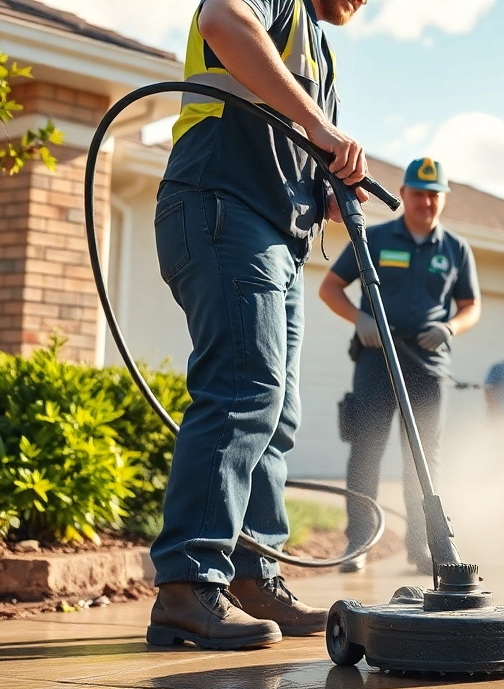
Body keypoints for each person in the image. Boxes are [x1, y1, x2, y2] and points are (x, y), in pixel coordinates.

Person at [147, 0, 369, 651]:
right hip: (221, 202)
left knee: (278, 410)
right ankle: (189, 586)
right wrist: (322, 128)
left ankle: (252, 575)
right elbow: (221, 19)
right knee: (244, 390)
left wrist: (321, 181)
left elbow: (286, 128)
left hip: (275, 230)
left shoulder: (317, 48)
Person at [319, 157, 481, 574]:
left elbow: (471, 306)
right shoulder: (372, 238)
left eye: (433, 195)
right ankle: (357, 543)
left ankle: (425, 548)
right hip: (377, 361)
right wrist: (359, 318)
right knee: (366, 451)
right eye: (418, 193)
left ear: (442, 198)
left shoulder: (456, 249)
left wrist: (450, 327)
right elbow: (330, 287)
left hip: (428, 365)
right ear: (404, 195)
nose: (425, 202)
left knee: (424, 459)